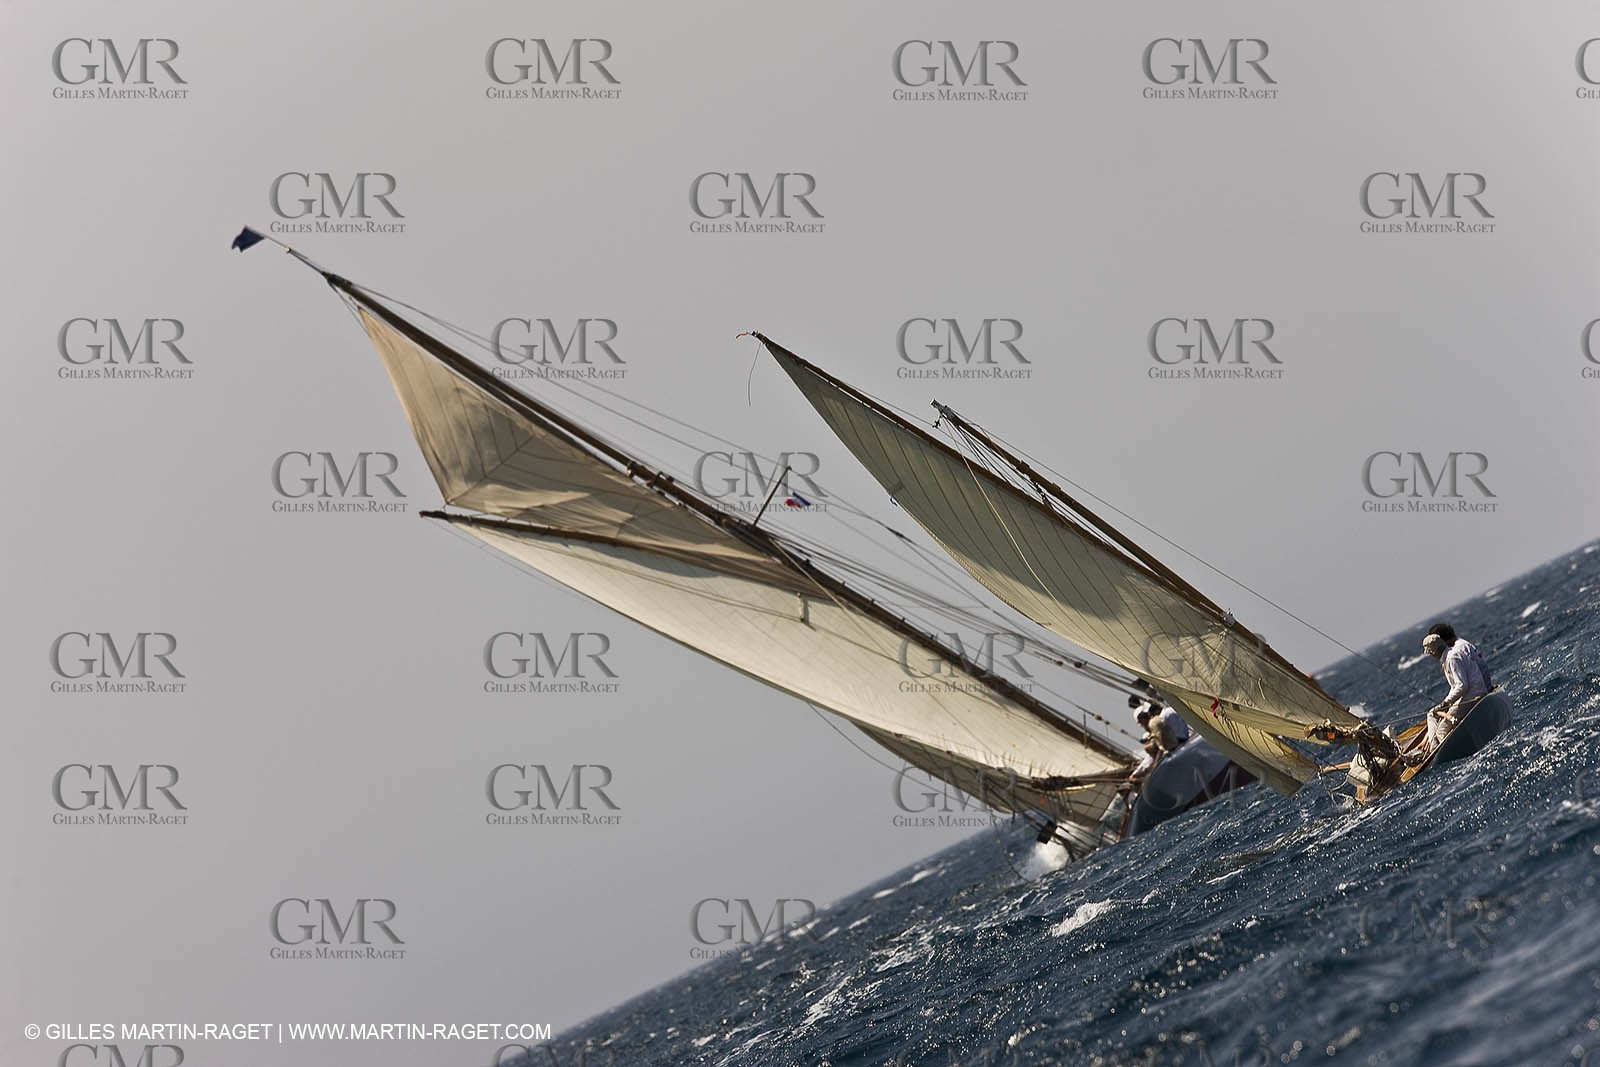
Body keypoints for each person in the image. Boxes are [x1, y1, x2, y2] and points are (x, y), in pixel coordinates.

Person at [1411, 621, 1494, 761]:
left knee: (1442, 729)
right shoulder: (1451, 653)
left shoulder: (1452, 657)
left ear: (1433, 652)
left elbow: (1462, 686)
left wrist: (1446, 703)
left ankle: (1434, 755)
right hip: (1471, 693)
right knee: (1432, 714)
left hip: (1474, 695)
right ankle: (1428, 745)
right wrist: (1445, 704)